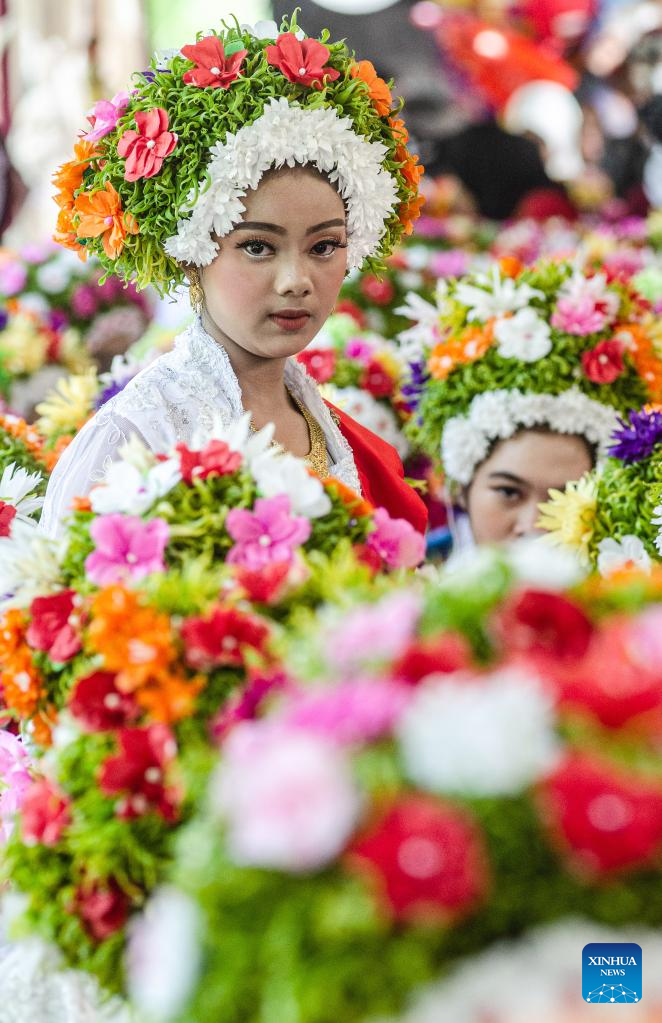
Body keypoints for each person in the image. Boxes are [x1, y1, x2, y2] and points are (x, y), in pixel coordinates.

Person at [40, 14, 427, 538]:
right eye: (258, 247)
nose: (296, 280)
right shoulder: (133, 439)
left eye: (324, 247)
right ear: (190, 252)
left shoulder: (334, 431)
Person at [399, 258, 661, 554]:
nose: (534, 527)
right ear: (459, 488)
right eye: (509, 492)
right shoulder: (406, 574)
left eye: (565, 500)